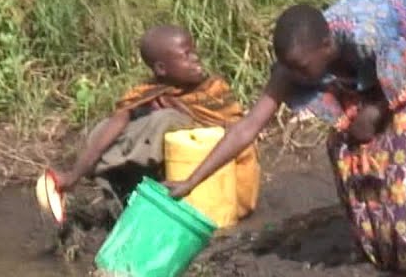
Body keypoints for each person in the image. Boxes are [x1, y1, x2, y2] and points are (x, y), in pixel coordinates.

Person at [166, 0, 406, 272]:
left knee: (403, 144)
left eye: (302, 67)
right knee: (344, 148)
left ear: (326, 45)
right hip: (374, 63)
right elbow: (248, 127)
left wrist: (374, 113)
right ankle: (382, 247)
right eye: (290, 68)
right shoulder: (297, 63)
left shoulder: (368, 36)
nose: (296, 76)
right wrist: (191, 181)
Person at [52, 25, 260, 215]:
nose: (195, 59)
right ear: (161, 69)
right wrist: (74, 175)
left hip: (224, 185)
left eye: (194, 52)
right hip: (176, 181)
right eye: (186, 55)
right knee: (104, 128)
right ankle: (118, 196)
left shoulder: (214, 89)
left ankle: (99, 167)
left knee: (166, 120)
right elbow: (115, 125)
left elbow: (237, 134)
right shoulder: (147, 94)